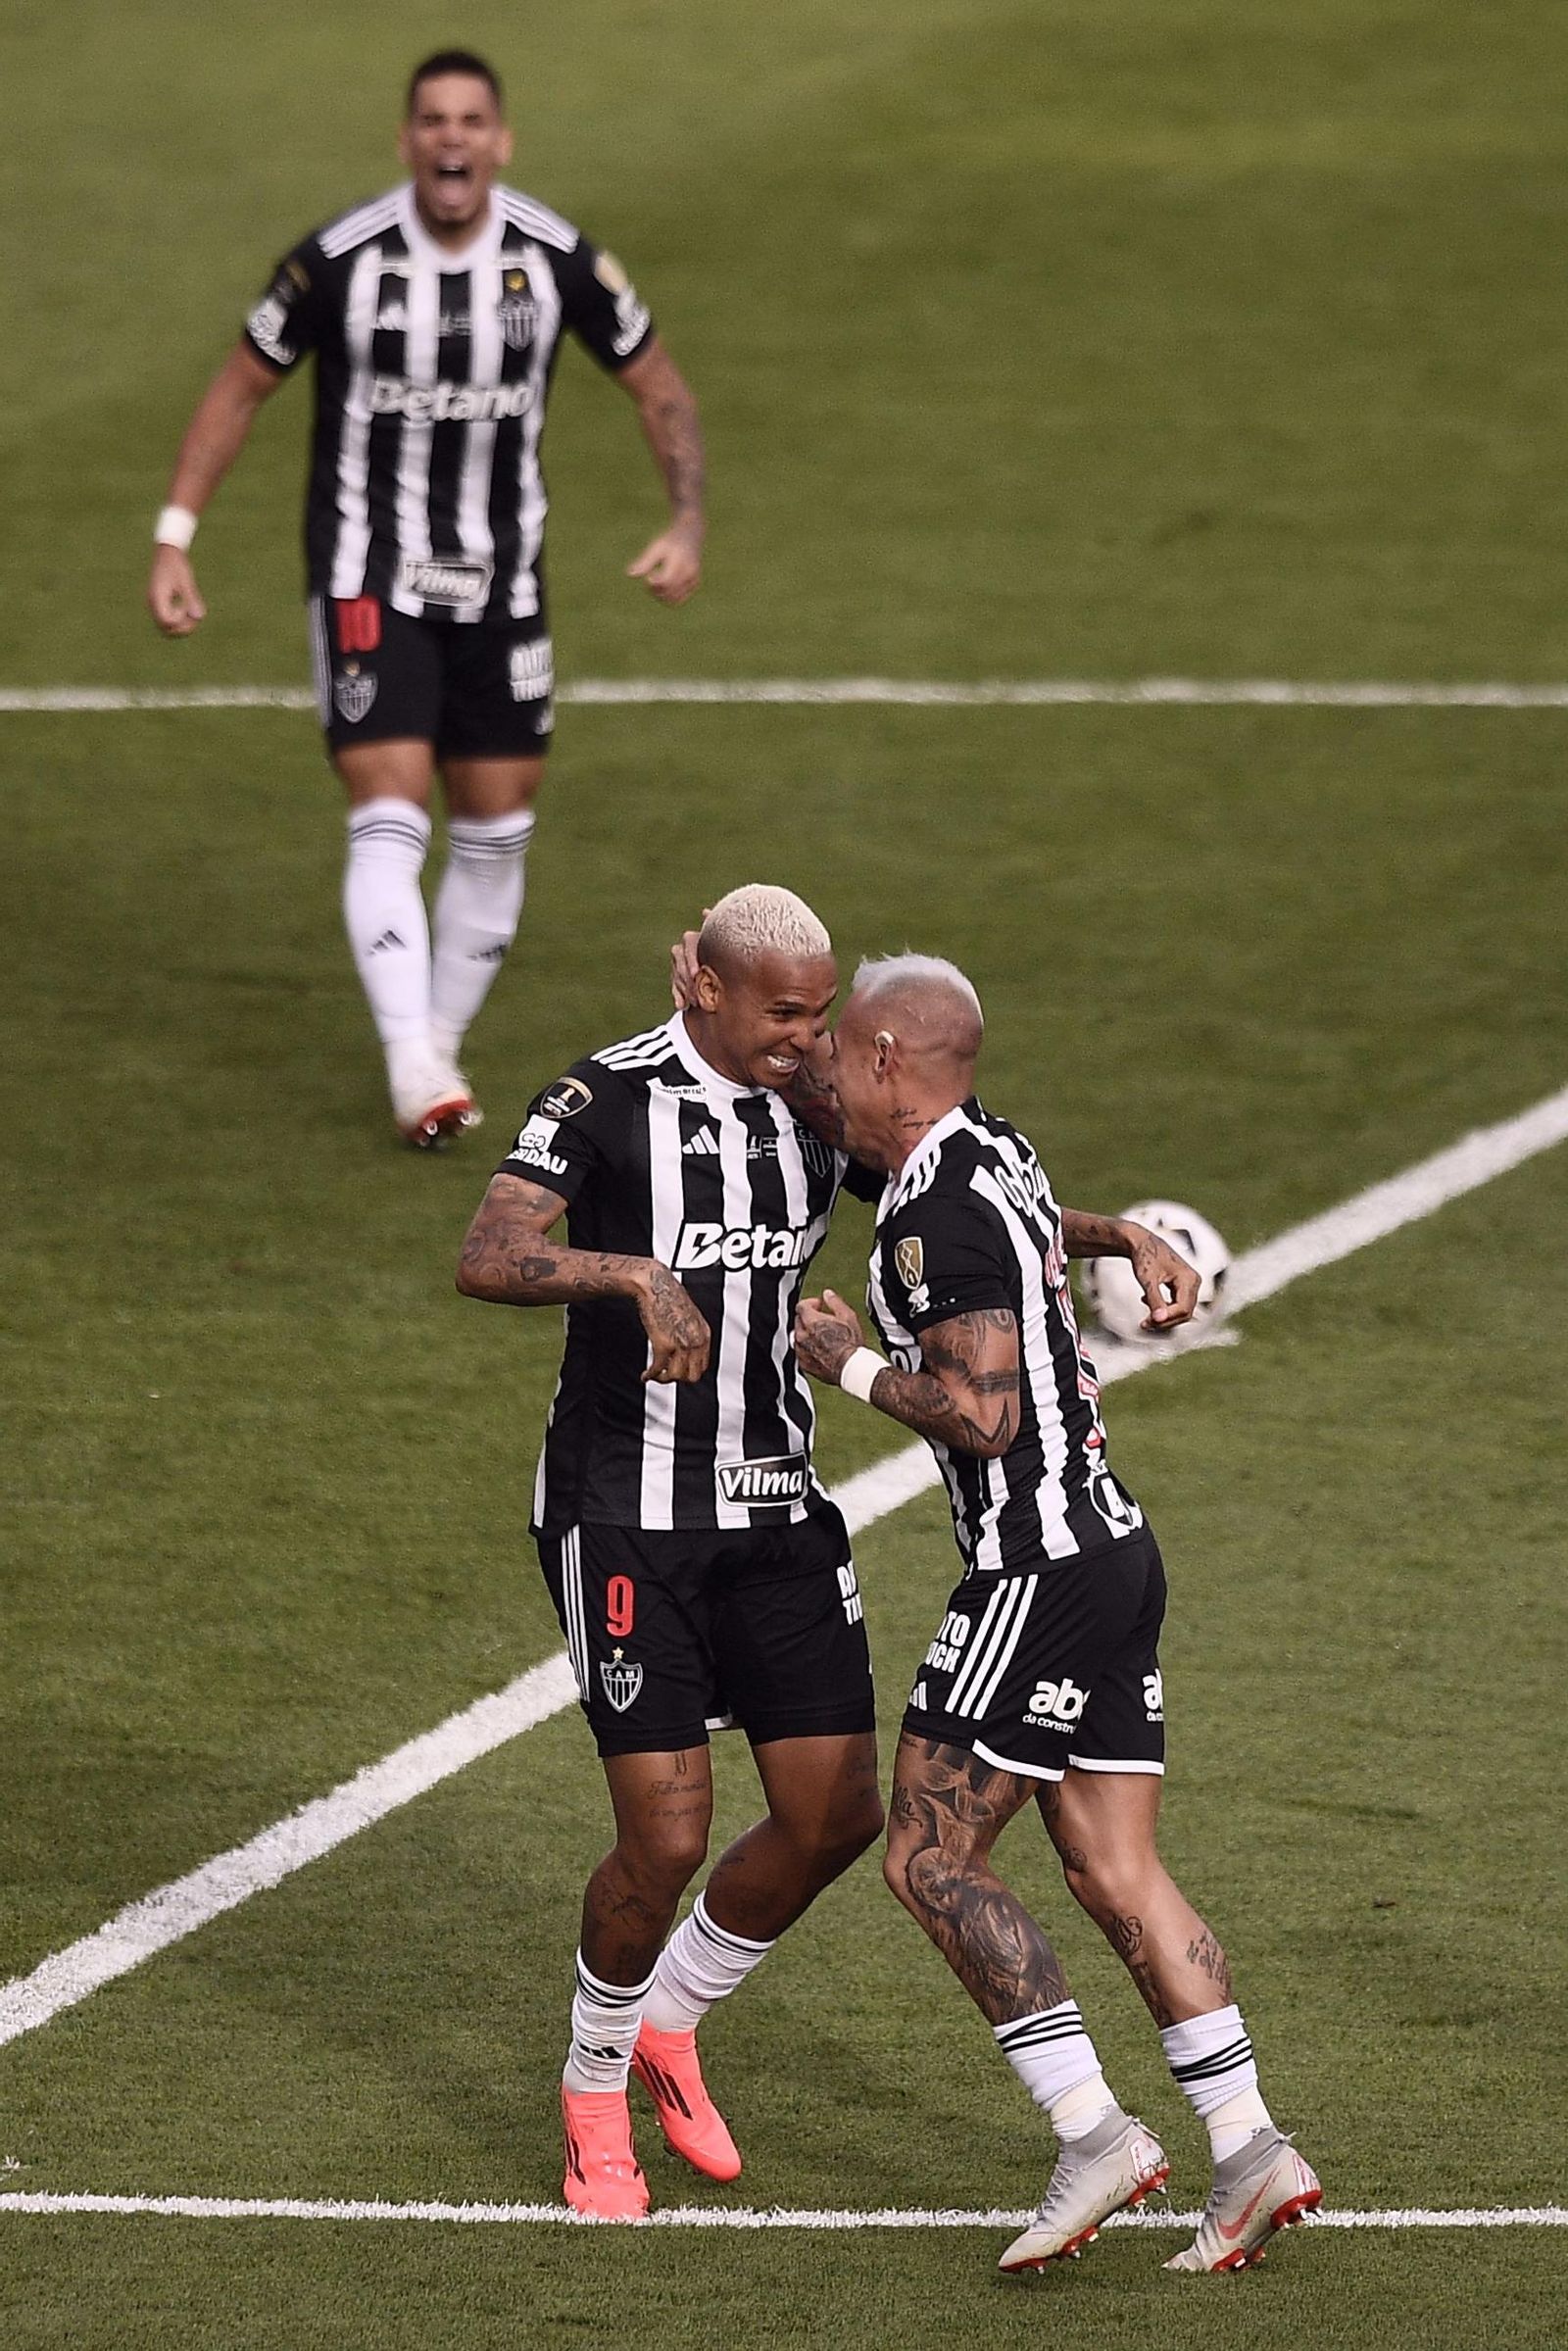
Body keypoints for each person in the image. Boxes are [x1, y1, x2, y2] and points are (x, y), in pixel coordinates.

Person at [456, 891, 1202, 2219]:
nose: (809, 1039)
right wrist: (629, 1274)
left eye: (818, 1014)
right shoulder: (603, 1097)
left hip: (779, 1512)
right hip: (625, 1512)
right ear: (710, 993)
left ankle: (671, 2021)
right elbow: (492, 1250)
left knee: (838, 1815)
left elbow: (950, 1187)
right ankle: (593, 2083)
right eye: (785, 1012)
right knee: (668, 1833)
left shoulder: (803, 1111)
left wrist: (1106, 1230)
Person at [792, 954, 1321, 2276]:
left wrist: (846, 1358)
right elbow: (1028, 1227)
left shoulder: (933, 1223)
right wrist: (1123, 1231)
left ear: (897, 1061)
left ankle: (1093, 2130)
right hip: (1116, 1554)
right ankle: (1250, 2146)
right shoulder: (989, 1148)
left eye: (845, 1054)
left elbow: (985, 1412)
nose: (830, 1075)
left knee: (928, 1850)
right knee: (1112, 1867)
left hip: (1038, 1570)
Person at [147, 49, 705, 1147]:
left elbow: (659, 387)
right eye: (433, 121)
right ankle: (414, 1063)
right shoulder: (338, 264)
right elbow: (240, 386)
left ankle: (433, 1045)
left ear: (501, 142)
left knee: (496, 835)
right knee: (391, 812)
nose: (452, 140)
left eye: (472, 122)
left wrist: (684, 520)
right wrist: (176, 534)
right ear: (406, 142)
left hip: (504, 586)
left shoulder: (557, 262)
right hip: (369, 574)